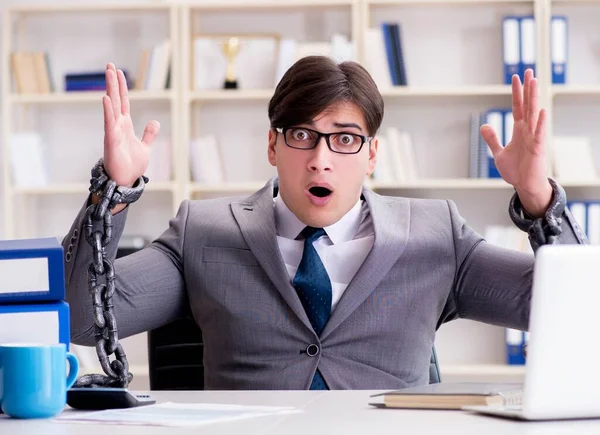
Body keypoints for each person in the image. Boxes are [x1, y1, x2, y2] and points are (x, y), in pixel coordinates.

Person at [63, 56, 586, 390]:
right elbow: (85, 319)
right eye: (302, 136)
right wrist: (112, 189)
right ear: (272, 145)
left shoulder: (435, 233)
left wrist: (539, 200)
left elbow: (573, 311)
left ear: (372, 154)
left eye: (344, 138)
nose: (321, 159)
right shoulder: (205, 230)